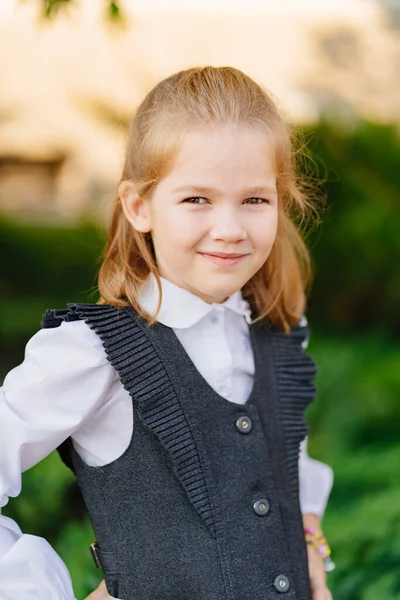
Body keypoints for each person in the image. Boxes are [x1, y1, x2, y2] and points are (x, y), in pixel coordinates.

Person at [0, 66, 334, 600]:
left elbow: (286, 459)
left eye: (254, 200)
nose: (229, 228)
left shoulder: (277, 334)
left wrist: (309, 536)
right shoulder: (94, 351)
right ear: (139, 206)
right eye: (196, 199)